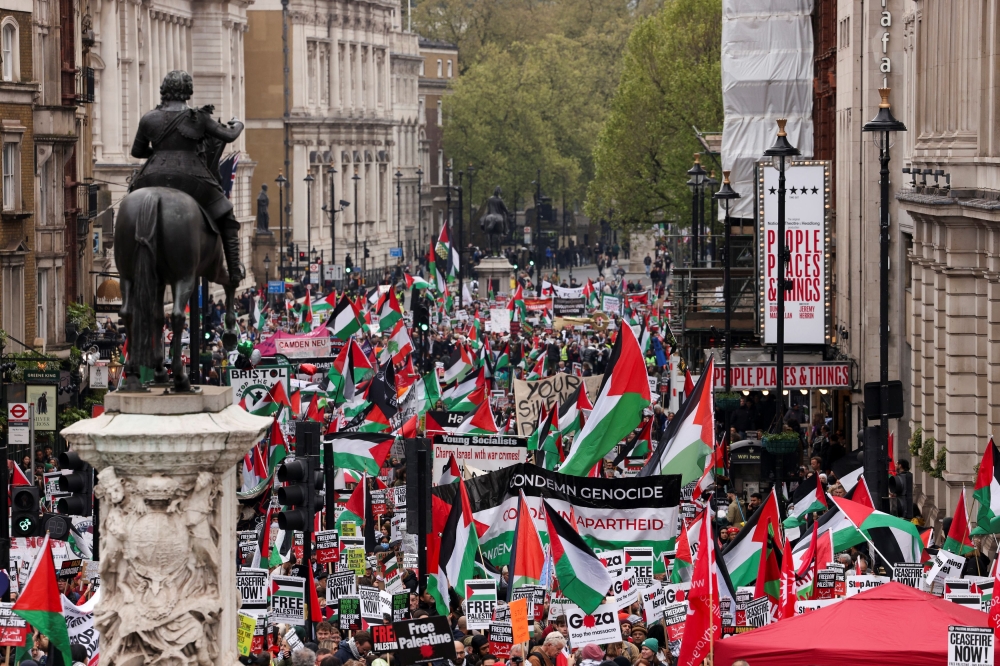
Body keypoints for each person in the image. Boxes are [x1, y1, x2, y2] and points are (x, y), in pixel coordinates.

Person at [128, 70, 246, 285]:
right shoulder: (198, 117)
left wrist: (160, 153)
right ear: (188, 90)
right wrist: (238, 124)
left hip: (151, 176)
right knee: (226, 214)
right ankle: (235, 271)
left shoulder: (149, 118)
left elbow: (137, 152)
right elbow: (228, 135)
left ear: (164, 89)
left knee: (131, 206)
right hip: (192, 178)